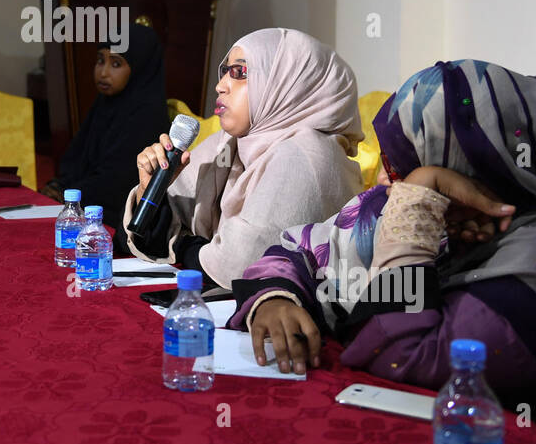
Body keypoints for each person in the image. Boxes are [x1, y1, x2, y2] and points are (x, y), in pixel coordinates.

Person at [230, 59, 536, 444]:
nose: (394, 176)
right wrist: (274, 298)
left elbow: (397, 361)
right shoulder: (409, 197)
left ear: (486, 160)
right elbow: (296, 247)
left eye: (415, 157)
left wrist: (415, 211)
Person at [124, 28, 364, 290]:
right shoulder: (229, 145)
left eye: (239, 73)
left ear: (287, 84)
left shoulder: (305, 156)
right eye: (225, 71)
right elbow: (147, 236)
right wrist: (151, 192)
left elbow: (238, 265)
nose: (220, 85)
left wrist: (183, 245)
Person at [40, 24, 167, 249]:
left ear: (139, 68)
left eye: (116, 63)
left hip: (118, 218)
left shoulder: (146, 114)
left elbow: (118, 181)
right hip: (88, 203)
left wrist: (69, 195)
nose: (104, 72)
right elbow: (77, 160)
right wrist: (62, 187)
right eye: (101, 60)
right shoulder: (106, 105)